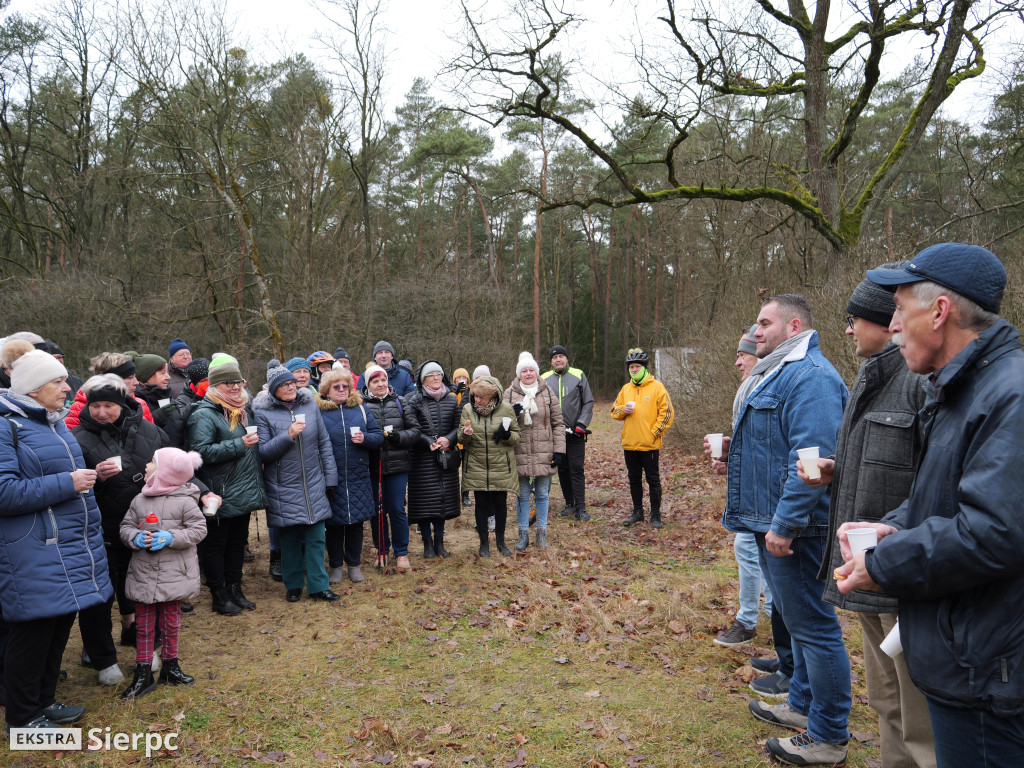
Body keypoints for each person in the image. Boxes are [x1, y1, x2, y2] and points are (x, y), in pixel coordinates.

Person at [836, 244, 1024, 767]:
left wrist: (881, 563)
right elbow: (937, 501)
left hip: (987, 669)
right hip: (963, 655)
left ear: (940, 312)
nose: (892, 324)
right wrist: (892, 527)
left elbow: (995, 533)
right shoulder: (960, 390)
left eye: (898, 309)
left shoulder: (1009, 395)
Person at [796, 271, 934, 768]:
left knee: (918, 707)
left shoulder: (921, 382)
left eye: (855, 320)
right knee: (885, 698)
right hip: (865, 567)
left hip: (901, 569)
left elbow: (930, 482)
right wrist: (836, 471)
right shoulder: (871, 378)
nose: (849, 330)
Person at [721, 294, 851, 766]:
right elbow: (774, 447)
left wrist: (786, 524)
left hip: (795, 527)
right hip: (770, 520)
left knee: (815, 629)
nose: (755, 331)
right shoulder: (779, 370)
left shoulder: (811, 377)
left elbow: (811, 460)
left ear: (793, 325)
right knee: (798, 624)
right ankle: (800, 706)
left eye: (763, 322)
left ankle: (829, 734)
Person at [0, 343, 111, 730]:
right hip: (30, 551)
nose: (68, 388)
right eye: (59, 381)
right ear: (33, 388)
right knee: (32, 634)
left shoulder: (54, 422)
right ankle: (23, 719)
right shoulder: (5, 425)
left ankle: (45, 701)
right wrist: (67, 482)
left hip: (69, 545)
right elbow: (4, 492)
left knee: (58, 626)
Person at [72, 374, 167, 684]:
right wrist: (95, 477)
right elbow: (68, 487)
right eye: (96, 405)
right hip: (97, 529)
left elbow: (169, 468)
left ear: (123, 403)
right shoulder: (77, 437)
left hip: (144, 525)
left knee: (146, 591)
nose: (102, 412)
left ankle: (149, 648)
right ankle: (103, 659)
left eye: (109, 405)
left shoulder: (150, 432)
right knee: (98, 598)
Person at [119, 447, 208, 699]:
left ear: (165, 472)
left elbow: (198, 530)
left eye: (152, 462)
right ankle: (143, 672)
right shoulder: (139, 500)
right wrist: (135, 537)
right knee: (144, 625)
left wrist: (171, 537)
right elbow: (125, 526)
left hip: (174, 575)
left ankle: (171, 666)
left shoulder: (185, 500)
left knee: (171, 623)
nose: (146, 466)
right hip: (144, 574)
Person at [187, 353, 266, 616]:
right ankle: (218, 595)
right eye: (227, 382)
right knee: (216, 546)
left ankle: (235, 589)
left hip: (242, 490)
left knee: (236, 544)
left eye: (238, 381)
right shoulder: (204, 415)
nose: (234, 386)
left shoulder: (243, 410)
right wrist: (238, 444)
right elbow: (201, 453)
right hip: (219, 491)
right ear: (214, 386)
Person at [254, 365, 340, 602]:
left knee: (316, 536)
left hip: (313, 480)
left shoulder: (310, 404)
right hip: (283, 484)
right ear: (274, 390)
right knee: (289, 537)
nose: (291, 387)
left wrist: (330, 478)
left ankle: (318, 586)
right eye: (285, 385)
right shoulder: (262, 413)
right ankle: (293, 585)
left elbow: (324, 442)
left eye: (292, 383)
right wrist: (288, 435)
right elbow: (263, 453)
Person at [713, 325, 775, 649]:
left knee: (759, 552)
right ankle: (758, 616)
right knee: (749, 549)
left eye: (742, 355)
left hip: (767, 493)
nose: (737, 363)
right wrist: (729, 455)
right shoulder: (751, 386)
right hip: (751, 489)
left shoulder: (766, 384)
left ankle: (757, 619)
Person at [317, 368, 383, 584]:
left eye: (346, 385)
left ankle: (354, 565)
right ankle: (336, 565)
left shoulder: (361, 409)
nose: (342, 389)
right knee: (333, 524)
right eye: (337, 387)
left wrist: (364, 438)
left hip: (358, 474)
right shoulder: (318, 412)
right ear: (327, 391)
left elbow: (378, 438)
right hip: (330, 476)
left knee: (355, 523)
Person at [361, 364, 419, 570]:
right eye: (375, 381)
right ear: (368, 384)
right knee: (377, 510)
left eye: (383, 380)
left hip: (398, 465)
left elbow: (415, 431)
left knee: (396, 508)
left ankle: (401, 552)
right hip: (372, 467)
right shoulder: (360, 405)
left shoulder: (400, 402)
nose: (380, 384)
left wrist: (399, 437)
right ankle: (382, 549)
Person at [506, 352, 565, 550]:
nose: (528, 373)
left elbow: (558, 423)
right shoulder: (510, 393)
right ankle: (523, 534)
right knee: (522, 495)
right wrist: (511, 415)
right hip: (519, 451)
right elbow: (502, 424)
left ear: (537, 372)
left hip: (544, 451)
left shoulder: (547, 392)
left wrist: (559, 451)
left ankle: (541, 533)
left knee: (542, 494)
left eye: (532, 370)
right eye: (524, 370)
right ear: (519, 373)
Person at [610, 348, 674, 528]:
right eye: (631, 367)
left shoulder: (657, 387)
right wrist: (624, 410)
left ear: (644, 367)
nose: (634, 369)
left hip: (650, 445)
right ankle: (637, 512)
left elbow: (667, 413)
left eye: (637, 366)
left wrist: (655, 432)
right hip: (630, 444)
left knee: (653, 480)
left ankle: (655, 515)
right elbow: (614, 411)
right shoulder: (625, 389)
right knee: (634, 479)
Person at [458, 375, 521, 557]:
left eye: (482, 397)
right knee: (481, 505)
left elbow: (517, 437)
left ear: (493, 396)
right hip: (477, 465)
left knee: (500, 504)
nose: (477, 400)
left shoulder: (507, 409)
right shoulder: (468, 410)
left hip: (500, 465)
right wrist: (466, 434)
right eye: (475, 396)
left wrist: (507, 435)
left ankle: (501, 542)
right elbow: (460, 439)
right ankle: (484, 544)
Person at [406, 361, 462, 559]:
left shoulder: (451, 399)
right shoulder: (413, 400)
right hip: (422, 459)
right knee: (424, 504)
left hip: (445, 458)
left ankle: (440, 541)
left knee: (443, 502)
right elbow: (412, 427)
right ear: (423, 379)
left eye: (439, 374)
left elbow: (459, 425)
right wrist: (427, 440)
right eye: (431, 375)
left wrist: (449, 439)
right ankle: (427, 544)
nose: (436, 378)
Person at [542, 345, 594, 522]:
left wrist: (582, 423)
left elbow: (588, 401)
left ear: (566, 359)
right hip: (555, 434)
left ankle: (581, 507)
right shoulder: (544, 379)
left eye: (561, 356)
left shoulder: (579, 375)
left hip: (576, 433)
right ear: (551, 361)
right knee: (562, 469)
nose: (558, 359)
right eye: (555, 357)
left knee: (576, 469)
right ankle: (569, 504)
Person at [65, 352, 154, 430]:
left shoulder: (139, 404)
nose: (136, 383)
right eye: (129, 378)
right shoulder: (79, 409)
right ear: (110, 380)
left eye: (135, 377)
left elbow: (153, 439)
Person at [451, 367, 472, 507]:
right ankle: (452, 495)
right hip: (454, 436)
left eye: (464, 378)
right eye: (459, 377)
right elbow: (450, 409)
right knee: (453, 468)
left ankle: (465, 495)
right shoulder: (450, 393)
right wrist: (456, 391)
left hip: (467, 437)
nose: (462, 380)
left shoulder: (472, 393)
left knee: (467, 469)